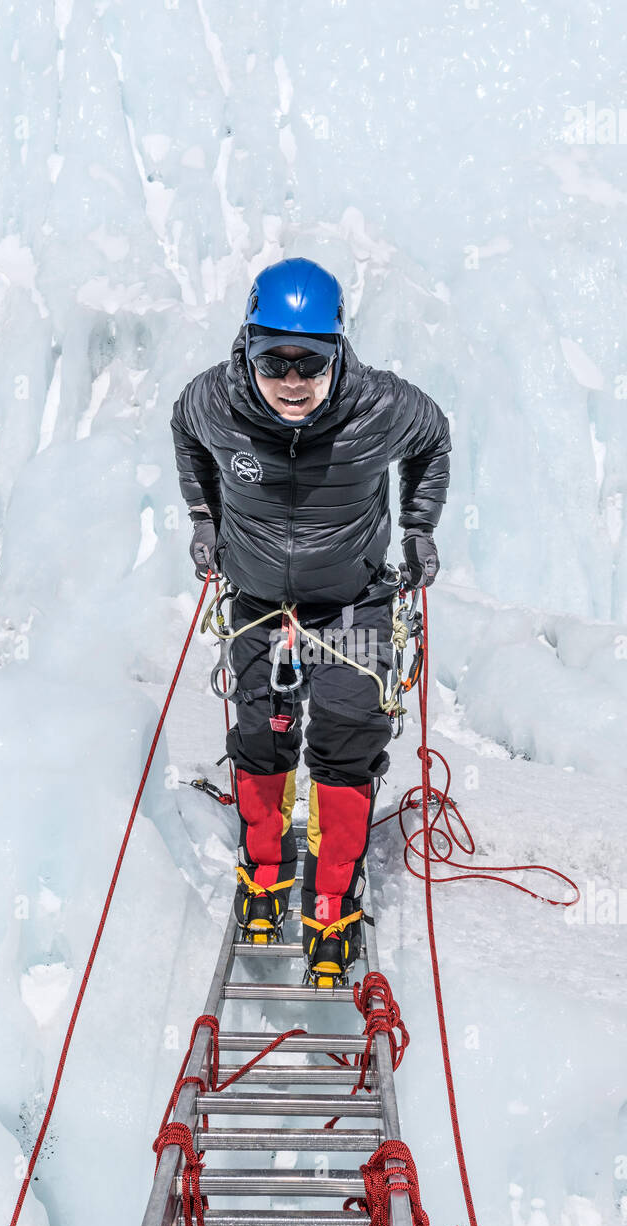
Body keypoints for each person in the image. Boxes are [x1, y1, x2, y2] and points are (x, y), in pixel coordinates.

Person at [171, 257, 449, 984]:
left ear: (337, 351)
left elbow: (433, 439)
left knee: (345, 738)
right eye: (275, 361)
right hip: (258, 599)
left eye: (310, 362)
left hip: (352, 598)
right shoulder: (213, 402)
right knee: (261, 735)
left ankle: (334, 894)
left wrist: (419, 528)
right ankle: (266, 869)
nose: (292, 380)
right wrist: (204, 518)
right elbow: (185, 434)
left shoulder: (381, 407)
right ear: (248, 346)